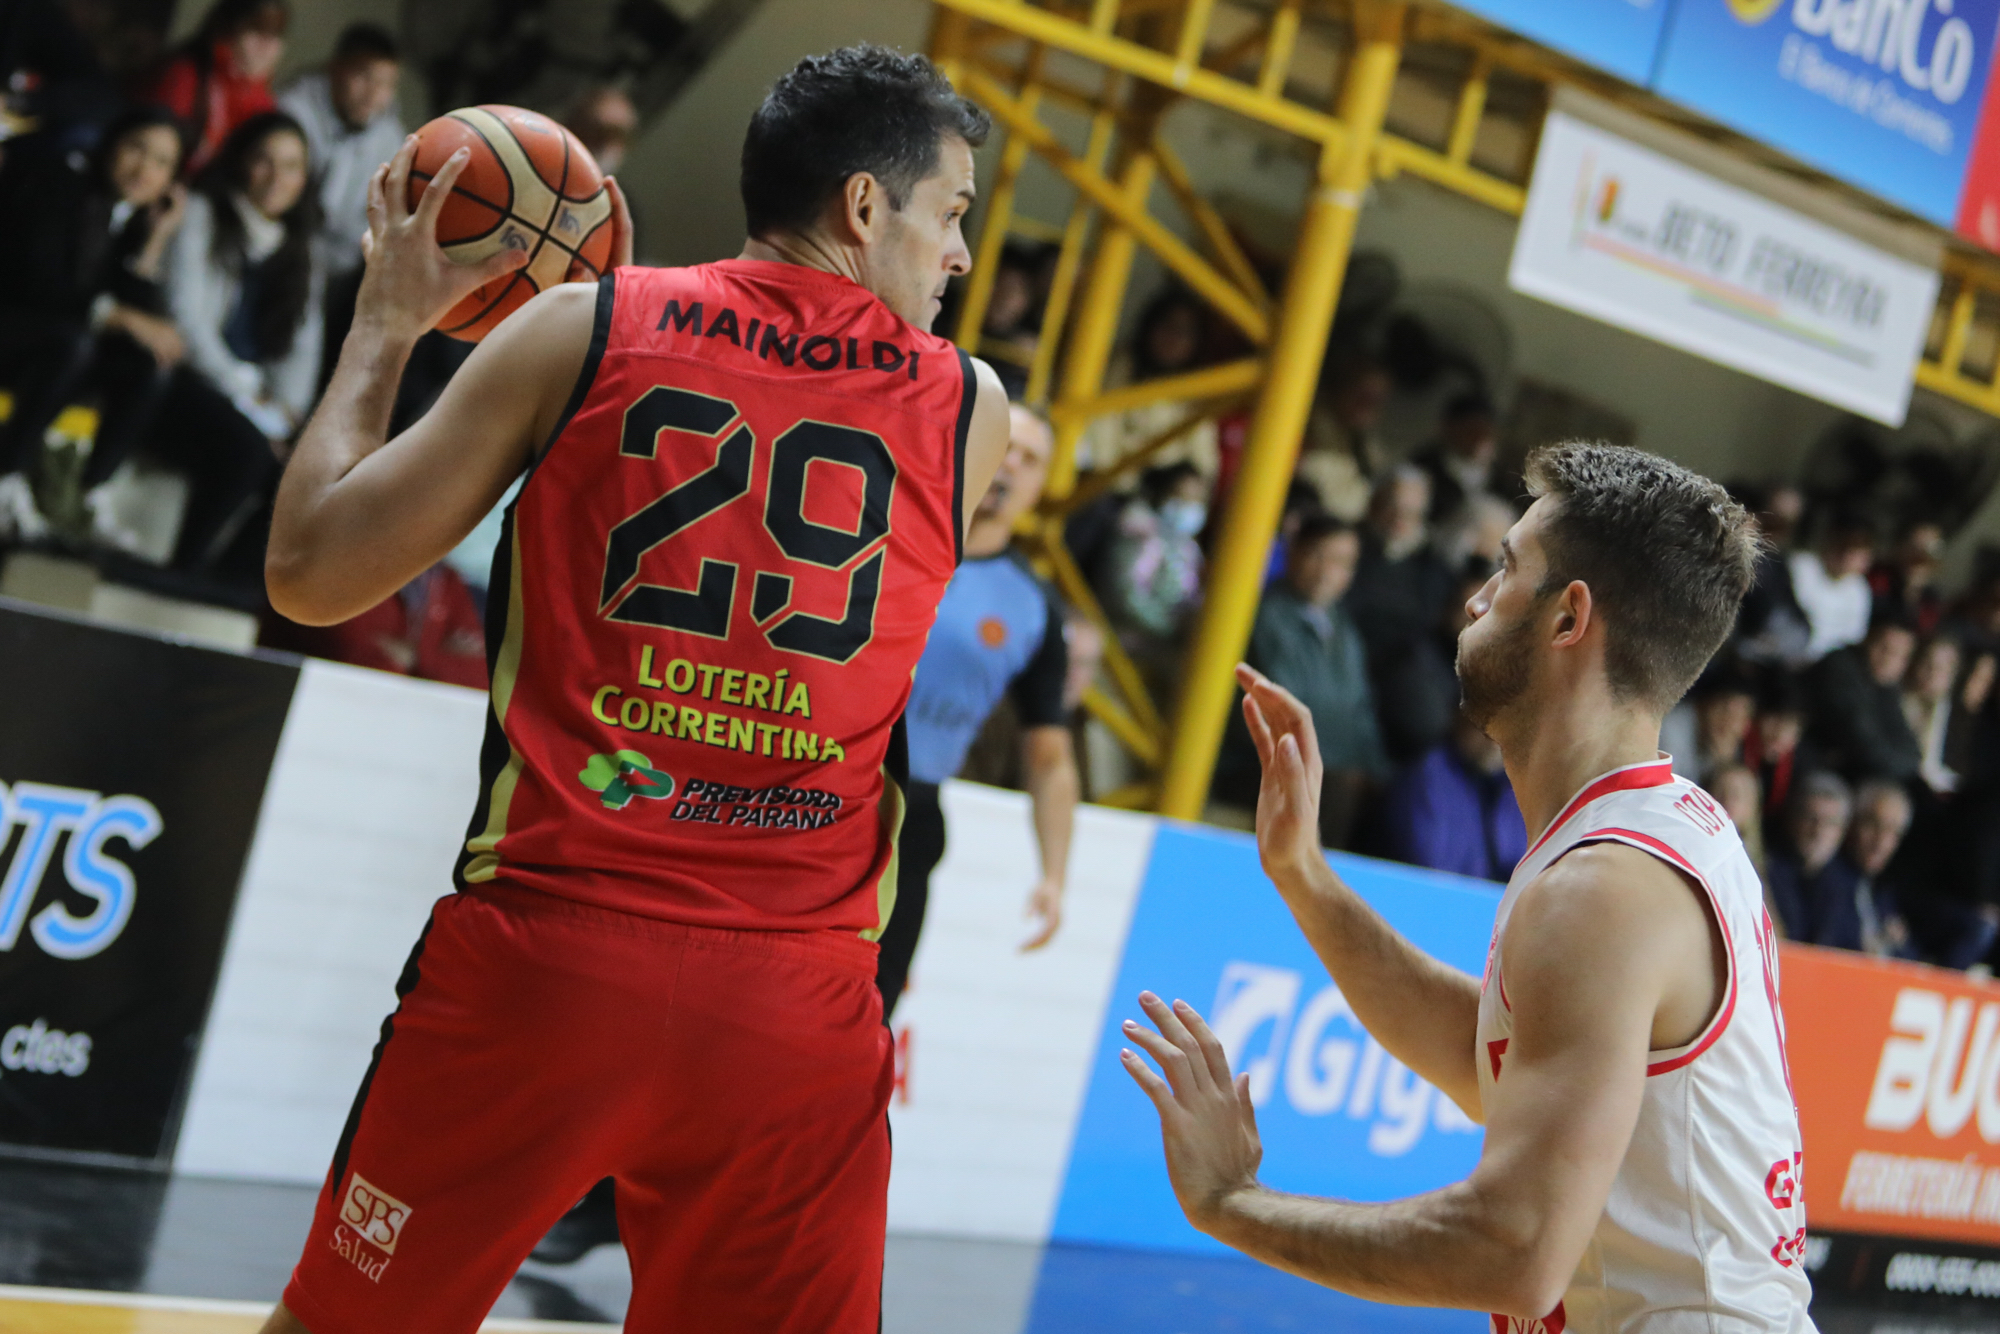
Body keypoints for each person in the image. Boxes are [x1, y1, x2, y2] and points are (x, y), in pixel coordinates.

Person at [257, 43, 1007, 1334]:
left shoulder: (581, 327)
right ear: (862, 206)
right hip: (793, 1008)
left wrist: (387, 317)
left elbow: (312, 575)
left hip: (545, 967)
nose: (959, 255)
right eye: (950, 214)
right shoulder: (969, 408)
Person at [1119, 442, 1811, 1332]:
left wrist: (1231, 1204)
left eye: (1506, 568)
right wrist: (1305, 877)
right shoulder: (1661, 826)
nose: (1477, 598)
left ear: (1568, 618)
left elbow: (1512, 1251)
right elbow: (1495, 1061)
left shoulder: (1605, 886)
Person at [879, 403, 1077, 1015]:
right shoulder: (878, 531)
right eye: (1004, 445)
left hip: (909, 819)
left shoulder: (1034, 609)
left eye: (1030, 459)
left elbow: (1050, 757)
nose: (1011, 466)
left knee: (864, 1016)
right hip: (805, 780)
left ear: (1041, 486)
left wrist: (1054, 876)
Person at [0, 104, 187, 544]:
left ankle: (89, 495)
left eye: (162, 162)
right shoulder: (61, 185)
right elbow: (38, 282)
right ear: (111, 145)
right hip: (14, 326)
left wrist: (155, 242)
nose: (144, 168)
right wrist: (116, 315)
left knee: (147, 363)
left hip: (60, 349)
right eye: (137, 148)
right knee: (74, 344)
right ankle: (6, 476)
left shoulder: (133, 219)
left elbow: (140, 312)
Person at [163, 109, 319, 567]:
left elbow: (302, 349)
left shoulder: (304, 249)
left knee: (303, 475)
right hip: (194, 378)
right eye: (264, 161)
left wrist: (285, 417)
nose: (277, 178)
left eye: (291, 166)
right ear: (241, 162)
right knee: (248, 454)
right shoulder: (202, 215)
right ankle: (183, 570)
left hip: (257, 400)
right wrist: (246, 399)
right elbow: (185, 319)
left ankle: (228, 586)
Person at [1214, 513, 1384, 848]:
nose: (1326, 571)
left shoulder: (1345, 632)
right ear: (1293, 553)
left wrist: (1376, 770)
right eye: (1317, 555)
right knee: (1334, 788)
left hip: (1327, 767)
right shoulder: (1261, 617)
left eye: (1340, 563)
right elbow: (1280, 707)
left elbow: (1361, 710)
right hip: (1257, 763)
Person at [277, 23, 403, 289]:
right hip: (282, 253)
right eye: (364, 77)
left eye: (385, 84)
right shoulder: (292, 113)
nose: (373, 95)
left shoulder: (391, 136)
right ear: (335, 68)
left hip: (348, 269)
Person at [1345, 464, 1457, 762]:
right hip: (1350, 662)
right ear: (1373, 505)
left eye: (1411, 513)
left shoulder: (1433, 570)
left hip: (1407, 673)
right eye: (1392, 508)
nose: (1399, 520)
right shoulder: (1348, 549)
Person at [142, 0, 287, 176]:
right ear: (225, 30)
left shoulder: (264, 101)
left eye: (276, 34)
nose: (266, 45)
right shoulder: (183, 77)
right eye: (255, 30)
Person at [1381, 709, 1525, 882]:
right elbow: (1434, 876)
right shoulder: (1429, 779)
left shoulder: (1515, 784)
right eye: (1483, 728)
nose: (1493, 741)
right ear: (1459, 720)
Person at [1805, 616, 1921, 784]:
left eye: (1898, 655)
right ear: (1867, 641)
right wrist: (1903, 767)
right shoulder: (1840, 668)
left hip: (1862, 770)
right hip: (1815, 765)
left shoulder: (1885, 686)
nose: (1887, 659)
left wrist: (1905, 766)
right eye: (1883, 648)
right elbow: (1864, 744)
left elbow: (1909, 746)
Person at [1762, 770, 1854, 945]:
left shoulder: (1848, 885)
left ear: (1843, 831)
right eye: (1811, 819)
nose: (1818, 831)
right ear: (1792, 819)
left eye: (1830, 823)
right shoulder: (1766, 871)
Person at [1789, 511, 1875, 663]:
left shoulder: (1860, 590)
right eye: (1842, 544)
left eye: (1856, 549)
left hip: (1827, 667)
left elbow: (1852, 640)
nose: (1847, 554)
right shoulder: (1800, 566)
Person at [1411, 389, 1497, 528]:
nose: (1479, 439)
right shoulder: (1423, 467)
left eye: (1485, 431)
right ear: (1450, 427)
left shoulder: (1498, 477)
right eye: (1472, 430)